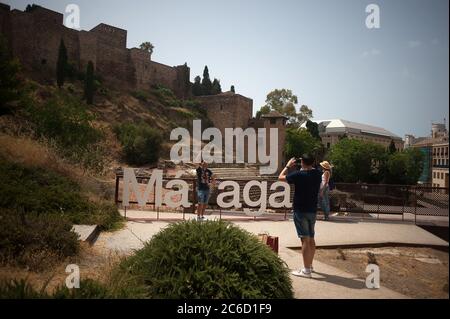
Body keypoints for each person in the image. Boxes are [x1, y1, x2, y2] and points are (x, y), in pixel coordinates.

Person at [278, 154, 322, 278]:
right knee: (311, 238)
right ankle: (310, 265)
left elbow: (280, 177)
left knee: (304, 240)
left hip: (300, 210)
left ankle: (306, 270)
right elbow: (318, 170)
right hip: (312, 210)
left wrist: (287, 166)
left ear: (302, 162)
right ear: (313, 162)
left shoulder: (298, 175)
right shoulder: (317, 174)